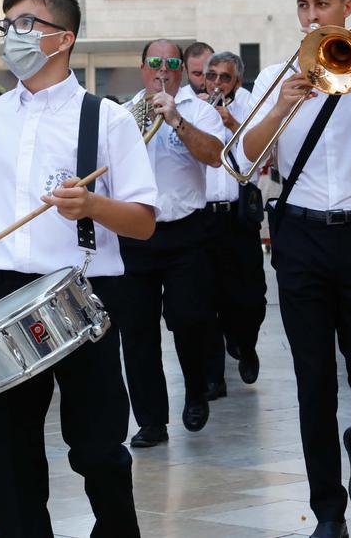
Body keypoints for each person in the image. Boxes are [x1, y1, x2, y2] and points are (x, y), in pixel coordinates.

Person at [0, 0, 156, 537]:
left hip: (83, 292)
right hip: (5, 289)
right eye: (7, 24)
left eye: (25, 23)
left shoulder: (106, 119)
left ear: (62, 39)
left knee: (96, 444)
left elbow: (143, 219)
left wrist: (92, 205)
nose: (11, 35)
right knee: (7, 446)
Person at [237, 0, 351, 538]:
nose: (312, 18)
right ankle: (327, 511)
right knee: (314, 380)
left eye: (323, 5)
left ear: (347, 7)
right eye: (304, 7)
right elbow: (243, 160)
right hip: (302, 237)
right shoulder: (274, 78)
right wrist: (285, 106)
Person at [105, 39, 223, 448]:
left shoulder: (199, 110)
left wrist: (177, 121)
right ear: (142, 69)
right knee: (137, 333)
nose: (163, 70)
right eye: (154, 63)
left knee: (190, 320)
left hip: (186, 232)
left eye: (172, 64)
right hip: (136, 235)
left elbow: (214, 156)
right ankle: (152, 420)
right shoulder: (121, 115)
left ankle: (195, 389)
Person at [200, 52, 267, 398]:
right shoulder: (195, 109)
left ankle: (246, 342)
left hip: (238, 215)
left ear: (237, 83)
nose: (216, 84)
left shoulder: (249, 110)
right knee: (206, 295)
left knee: (251, 295)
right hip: (203, 217)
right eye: (211, 76)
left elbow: (253, 159)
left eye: (224, 78)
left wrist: (229, 125)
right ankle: (213, 376)